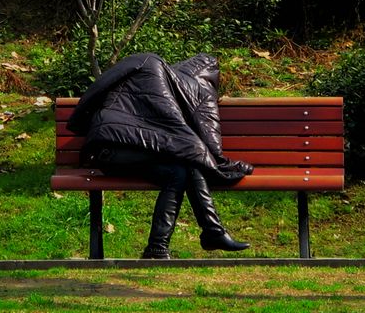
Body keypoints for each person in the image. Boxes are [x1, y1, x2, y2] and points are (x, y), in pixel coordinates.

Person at [68, 53, 253, 259]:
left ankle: (158, 248)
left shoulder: (145, 66)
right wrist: (215, 159)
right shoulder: (158, 74)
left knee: (179, 172)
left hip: (110, 152)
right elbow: (194, 128)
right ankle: (213, 232)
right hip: (113, 150)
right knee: (188, 159)